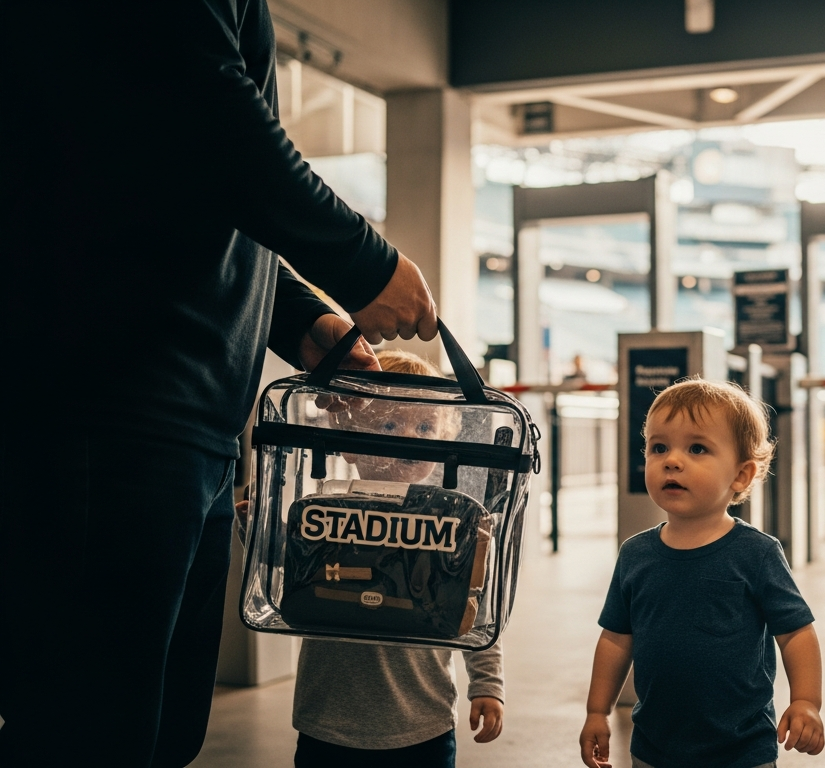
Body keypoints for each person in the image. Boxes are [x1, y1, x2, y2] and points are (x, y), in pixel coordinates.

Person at [2, 2, 436, 766]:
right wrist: (361, 262)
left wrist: (300, 317)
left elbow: (178, 175)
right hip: (113, 399)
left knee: (161, 733)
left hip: (187, 416)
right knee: (90, 733)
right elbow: (201, 107)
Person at [578, 380, 825, 768]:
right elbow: (615, 639)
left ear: (741, 475)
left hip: (741, 750)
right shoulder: (635, 554)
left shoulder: (756, 554)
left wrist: (806, 701)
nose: (672, 460)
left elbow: (796, 633)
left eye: (697, 448)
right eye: (659, 447)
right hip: (654, 748)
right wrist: (597, 711)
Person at [287, 350, 505, 768]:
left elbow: (474, 603)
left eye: (425, 426)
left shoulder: (453, 523)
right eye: (388, 424)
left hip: (423, 719)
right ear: (348, 438)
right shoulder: (326, 513)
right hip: (328, 719)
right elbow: (291, 574)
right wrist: (254, 531)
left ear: (444, 440)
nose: (410, 438)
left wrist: (487, 682)